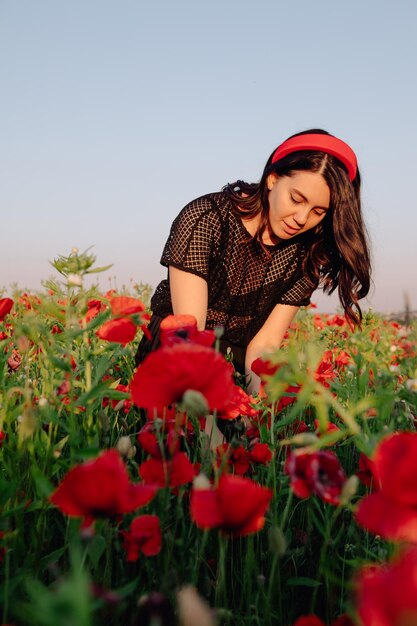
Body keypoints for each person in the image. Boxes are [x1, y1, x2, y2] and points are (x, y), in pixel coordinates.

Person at [135, 129, 371, 395]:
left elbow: (264, 346)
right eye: (296, 199)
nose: (302, 218)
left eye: (318, 211)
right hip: (178, 350)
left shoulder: (307, 255)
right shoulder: (206, 219)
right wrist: (208, 426)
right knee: (192, 434)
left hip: (240, 362)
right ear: (272, 178)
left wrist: (258, 414)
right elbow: (191, 330)